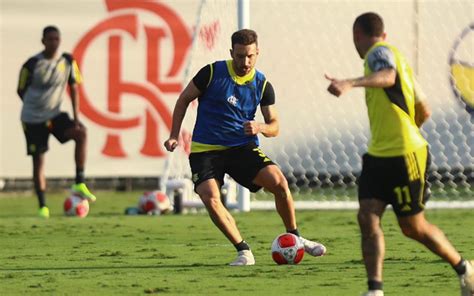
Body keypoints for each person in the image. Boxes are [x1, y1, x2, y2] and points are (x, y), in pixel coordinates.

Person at [325, 12, 473, 296]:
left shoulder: (378, 54)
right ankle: (375, 290)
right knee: (367, 217)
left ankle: (464, 268)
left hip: (405, 156)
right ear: (384, 33)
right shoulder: (399, 57)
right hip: (378, 155)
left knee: (413, 227)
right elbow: (424, 109)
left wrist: (349, 83)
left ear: (357, 36)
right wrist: (405, 127)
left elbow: (387, 76)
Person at [164, 29, 326, 266]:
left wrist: (260, 127)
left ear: (257, 53)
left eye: (250, 56)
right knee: (210, 197)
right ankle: (243, 251)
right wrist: (173, 135)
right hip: (205, 150)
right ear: (232, 53)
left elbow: (275, 126)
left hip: (241, 149)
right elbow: (184, 99)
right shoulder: (211, 73)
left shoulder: (262, 85)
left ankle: (295, 237)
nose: (245, 62)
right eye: (240, 56)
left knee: (279, 182)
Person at [17, 25, 96, 218]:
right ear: (43, 41)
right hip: (33, 119)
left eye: (56, 39)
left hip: (54, 116)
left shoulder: (68, 61)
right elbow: (20, 89)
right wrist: (35, 107)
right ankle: (42, 206)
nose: (53, 42)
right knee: (39, 160)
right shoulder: (32, 64)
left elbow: (74, 88)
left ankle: (79, 181)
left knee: (81, 132)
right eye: (50, 39)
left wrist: (76, 118)